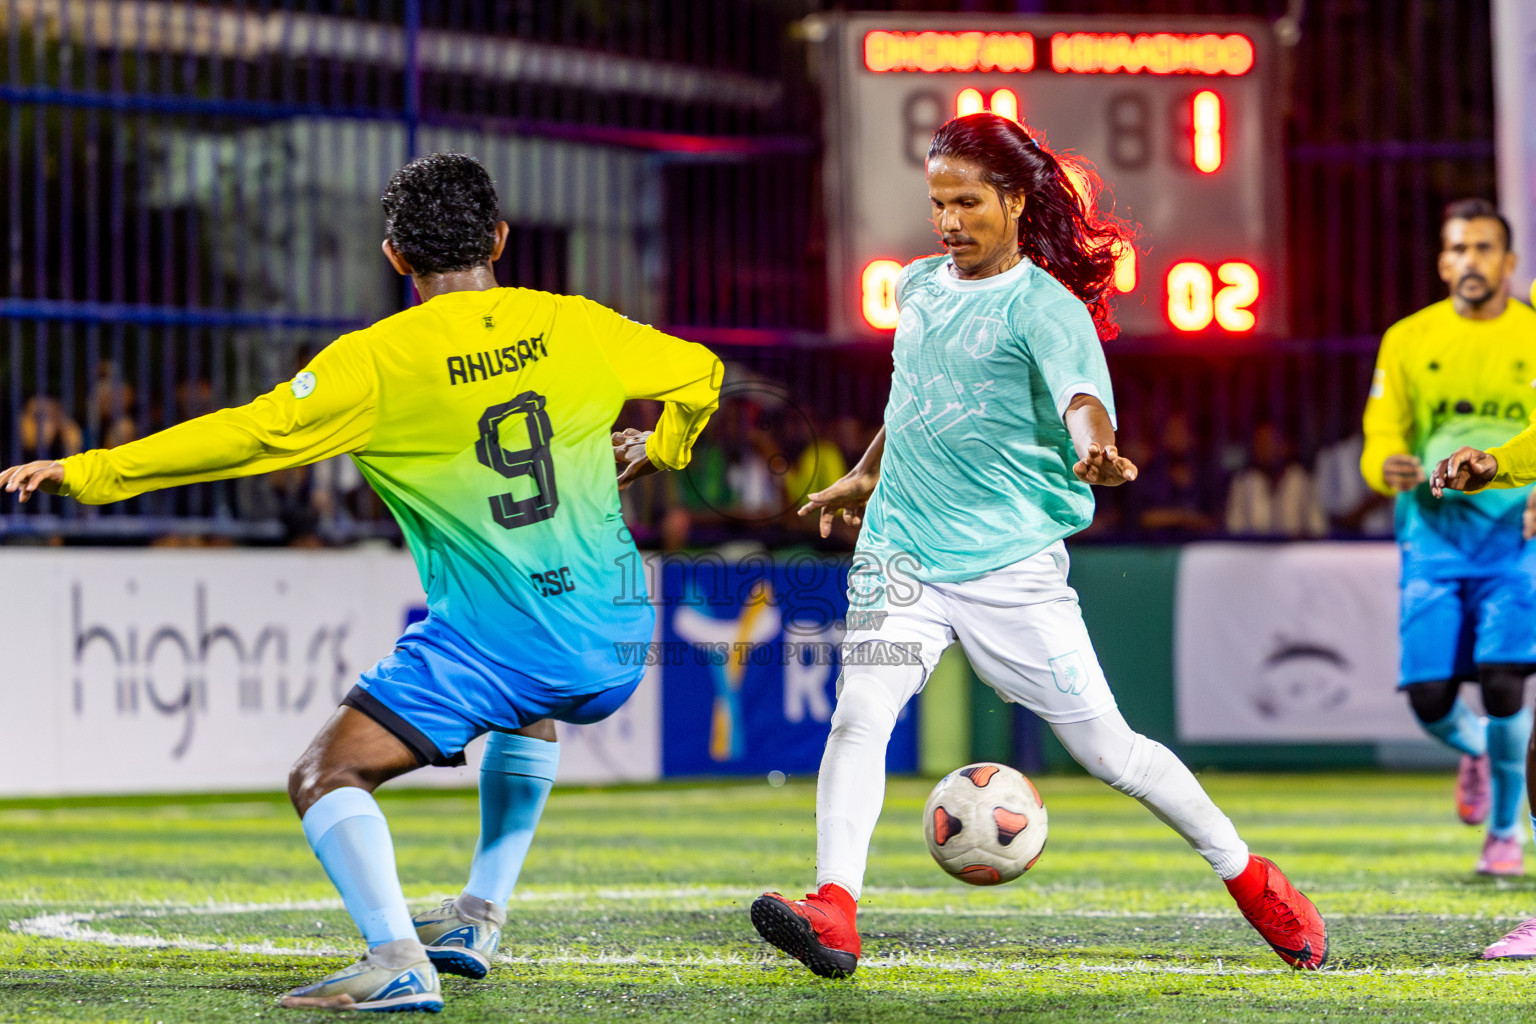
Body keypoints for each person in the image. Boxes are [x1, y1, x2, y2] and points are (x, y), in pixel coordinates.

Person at [0, 152, 722, 1013]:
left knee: (323, 774)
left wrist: (96, 471)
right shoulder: (572, 325)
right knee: (530, 699)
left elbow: (250, 434)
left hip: (503, 640)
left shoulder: (377, 364)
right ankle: (479, 915)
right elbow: (703, 372)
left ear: (393, 256)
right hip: (615, 635)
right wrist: (660, 450)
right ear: (499, 237)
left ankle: (396, 960)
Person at [749, 113, 1327, 979]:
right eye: (938, 202)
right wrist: (869, 474)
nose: (948, 222)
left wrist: (1095, 442)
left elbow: (1083, 401)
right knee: (860, 716)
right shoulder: (917, 287)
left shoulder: (1045, 310)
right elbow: (911, 401)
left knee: (1111, 754)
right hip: (903, 554)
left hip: (1008, 570)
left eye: (968, 202)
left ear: (1015, 200)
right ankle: (834, 908)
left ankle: (1250, 876)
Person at [1360, 198, 1536, 877]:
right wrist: (1387, 467)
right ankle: (1474, 753)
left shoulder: (1530, 334)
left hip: (1514, 540)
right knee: (1431, 699)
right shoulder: (1409, 339)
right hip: (1432, 537)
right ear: (1442, 262)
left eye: (1484, 248)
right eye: (1458, 249)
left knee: (1503, 686)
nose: (1470, 261)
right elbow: (1382, 437)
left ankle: (1504, 838)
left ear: (1509, 262)